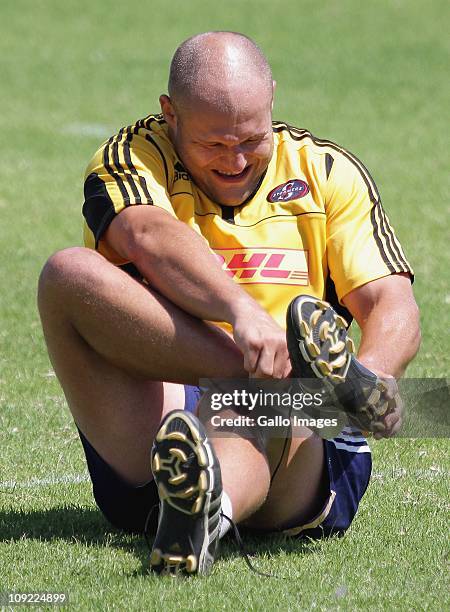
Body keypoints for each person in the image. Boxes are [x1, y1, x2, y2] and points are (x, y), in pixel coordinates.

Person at [37, 31, 420, 576]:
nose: (236, 160)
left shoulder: (327, 170)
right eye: (214, 145)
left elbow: (392, 302)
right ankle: (277, 386)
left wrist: (374, 377)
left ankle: (204, 510)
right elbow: (144, 233)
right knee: (66, 273)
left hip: (304, 451)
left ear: (272, 102)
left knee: (248, 403)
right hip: (161, 416)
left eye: (252, 139)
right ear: (169, 114)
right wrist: (244, 317)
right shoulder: (133, 156)